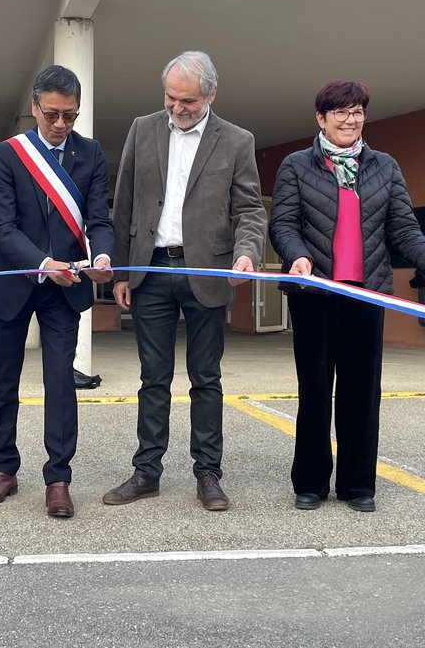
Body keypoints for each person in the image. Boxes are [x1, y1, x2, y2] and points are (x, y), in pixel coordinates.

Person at [269, 80, 425, 513]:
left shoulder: (384, 166)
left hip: (367, 293)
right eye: (340, 112)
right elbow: (282, 224)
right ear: (321, 118)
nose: (349, 120)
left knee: (362, 391)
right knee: (315, 389)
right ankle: (311, 482)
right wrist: (298, 258)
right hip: (314, 291)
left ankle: (358, 485)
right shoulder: (296, 165)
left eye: (357, 113)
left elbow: (404, 229)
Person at [106, 51, 266, 512]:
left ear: (211, 95)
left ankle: (208, 474)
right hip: (151, 270)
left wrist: (245, 253)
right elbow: (126, 203)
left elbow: (250, 210)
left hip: (206, 272)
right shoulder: (143, 128)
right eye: (170, 98)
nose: (177, 108)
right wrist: (121, 271)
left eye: (188, 101)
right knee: (152, 378)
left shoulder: (236, 141)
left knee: (206, 378)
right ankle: (146, 473)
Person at [0, 65, 115, 519]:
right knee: (5, 379)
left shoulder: (91, 154)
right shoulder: (8, 154)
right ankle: (4, 469)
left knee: (60, 382)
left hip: (66, 289)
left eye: (69, 116)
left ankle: (58, 477)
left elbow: (99, 219)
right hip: (15, 280)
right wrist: (42, 263)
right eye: (51, 114)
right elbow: (3, 227)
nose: (59, 124)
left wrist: (104, 257)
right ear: (34, 107)